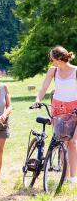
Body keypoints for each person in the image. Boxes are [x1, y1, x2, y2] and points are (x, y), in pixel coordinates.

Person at [34, 45, 77, 182]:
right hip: (58, 108)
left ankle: (73, 177)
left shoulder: (76, 71)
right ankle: (64, 176)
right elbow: (43, 88)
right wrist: (37, 100)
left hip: (74, 108)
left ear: (59, 59)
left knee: (73, 142)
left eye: (52, 59)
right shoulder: (53, 71)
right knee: (63, 142)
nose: (51, 62)